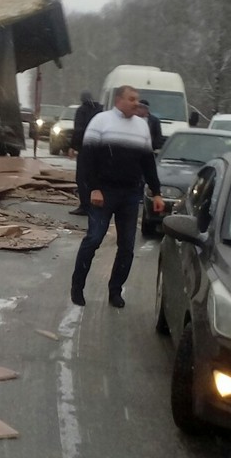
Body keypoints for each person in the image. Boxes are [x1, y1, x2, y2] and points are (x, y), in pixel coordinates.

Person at [70, 85, 164, 308]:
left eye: (138, 100)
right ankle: (77, 286)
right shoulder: (101, 122)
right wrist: (92, 188)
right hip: (104, 191)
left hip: (130, 194)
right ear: (119, 100)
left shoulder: (141, 127)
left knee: (127, 246)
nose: (136, 103)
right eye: (132, 99)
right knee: (94, 239)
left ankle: (115, 291)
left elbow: (147, 162)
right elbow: (87, 160)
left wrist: (156, 192)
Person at [67, 91, 103, 215]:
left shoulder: (81, 111)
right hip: (100, 148)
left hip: (85, 148)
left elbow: (78, 130)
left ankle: (85, 205)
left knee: (82, 178)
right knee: (95, 176)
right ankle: (96, 203)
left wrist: (72, 146)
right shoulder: (101, 109)